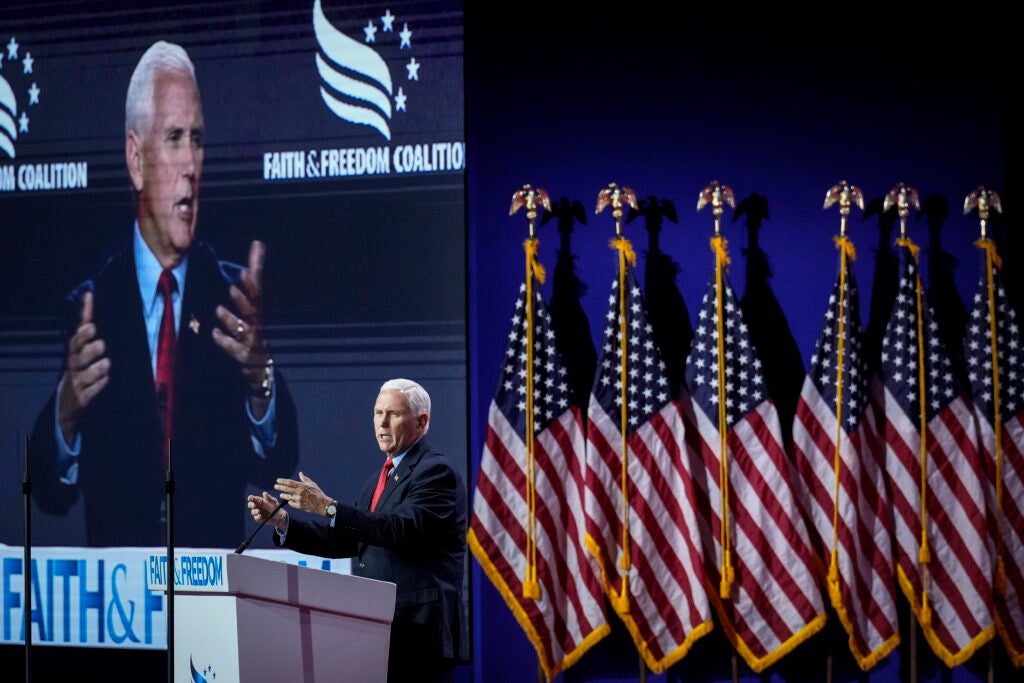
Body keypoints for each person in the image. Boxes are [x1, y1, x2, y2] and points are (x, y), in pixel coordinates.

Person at [27, 40, 299, 548]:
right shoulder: (89, 309)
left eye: (197, 140)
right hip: (118, 611)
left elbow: (279, 465)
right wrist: (66, 411)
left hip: (213, 602)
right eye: (174, 138)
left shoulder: (234, 302)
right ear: (136, 159)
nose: (192, 164)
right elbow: (49, 494)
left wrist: (260, 378)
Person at [247, 378, 468, 683]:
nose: (383, 422)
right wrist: (284, 523)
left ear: (421, 422)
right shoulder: (379, 479)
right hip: (380, 629)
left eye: (394, 414)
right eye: (378, 413)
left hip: (419, 636)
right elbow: (346, 540)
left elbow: (400, 530)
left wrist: (329, 507)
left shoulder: (436, 472)